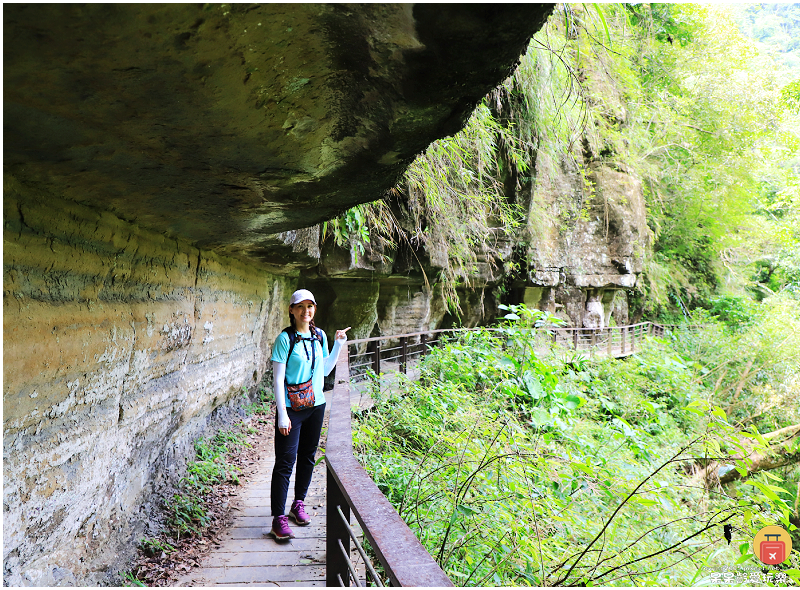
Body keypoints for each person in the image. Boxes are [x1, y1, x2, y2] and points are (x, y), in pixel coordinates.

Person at [268, 288, 350, 541]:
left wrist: (337, 345)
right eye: (300, 306)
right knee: (284, 462)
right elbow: (278, 378)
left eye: (310, 306)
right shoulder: (285, 339)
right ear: (292, 310)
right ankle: (278, 518)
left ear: (315, 309)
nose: (306, 311)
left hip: (316, 405)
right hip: (292, 409)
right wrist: (282, 414)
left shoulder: (319, 335)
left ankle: (298, 504)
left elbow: (324, 370)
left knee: (307, 457)